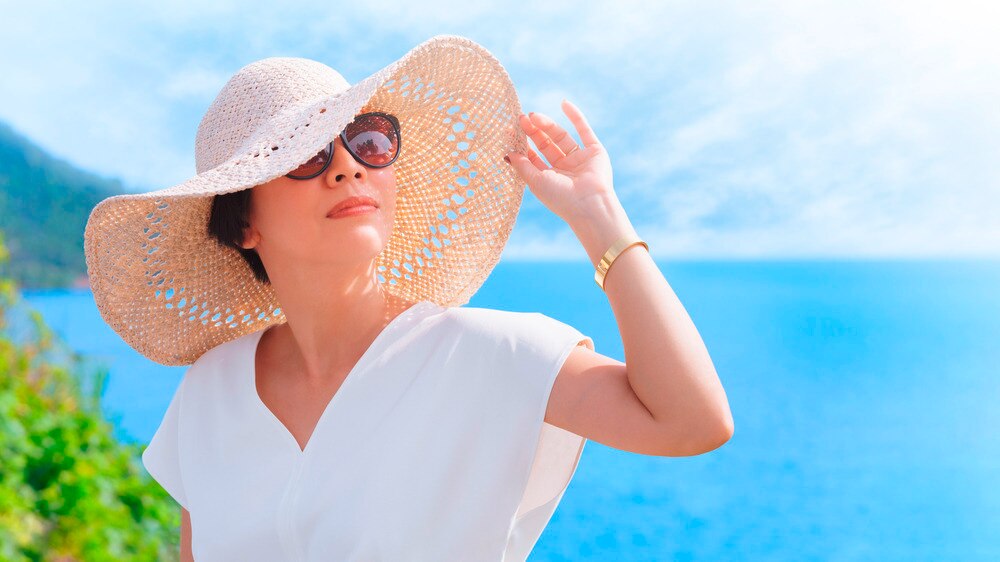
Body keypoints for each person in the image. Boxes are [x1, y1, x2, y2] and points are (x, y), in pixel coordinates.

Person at [83, 35, 733, 562]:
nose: (348, 166)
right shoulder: (212, 390)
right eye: (305, 154)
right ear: (243, 223)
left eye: (366, 141)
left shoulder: (487, 354)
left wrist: (599, 216)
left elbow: (692, 422)